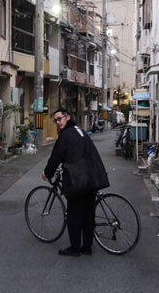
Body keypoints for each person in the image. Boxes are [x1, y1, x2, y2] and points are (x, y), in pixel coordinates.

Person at [41, 108, 107, 257]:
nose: (58, 122)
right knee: (88, 214)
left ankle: (75, 248)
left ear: (68, 117)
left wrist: (47, 172)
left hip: (78, 181)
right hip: (92, 178)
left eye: (60, 119)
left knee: (74, 215)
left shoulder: (65, 136)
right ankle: (87, 247)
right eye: (56, 120)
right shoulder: (80, 131)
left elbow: (55, 157)